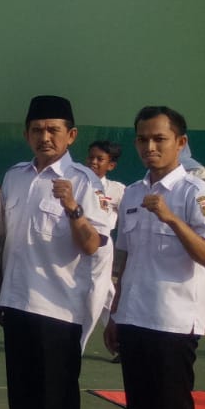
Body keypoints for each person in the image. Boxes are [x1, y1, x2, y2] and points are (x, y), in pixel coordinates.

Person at [0, 95, 114, 409]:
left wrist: (72, 207)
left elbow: (93, 245)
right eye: (37, 130)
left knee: (56, 393)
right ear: (26, 134)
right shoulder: (15, 177)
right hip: (17, 298)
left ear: (71, 135)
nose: (45, 137)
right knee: (22, 388)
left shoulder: (87, 183)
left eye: (54, 130)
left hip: (59, 305)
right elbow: (6, 240)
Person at [95, 106, 205, 409]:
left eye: (159, 139)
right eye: (143, 139)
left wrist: (173, 220)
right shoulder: (133, 194)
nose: (150, 147)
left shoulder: (194, 193)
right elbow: (123, 260)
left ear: (180, 142)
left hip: (175, 321)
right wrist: (115, 314)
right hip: (136, 315)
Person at [87, 139, 125, 363]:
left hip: (102, 247)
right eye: (90, 157)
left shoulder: (117, 190)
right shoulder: (77, 181)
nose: (93, 162)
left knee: (102, 295)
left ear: (110, 165)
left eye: (99, 159)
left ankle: (120, 343)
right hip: (76, 244)